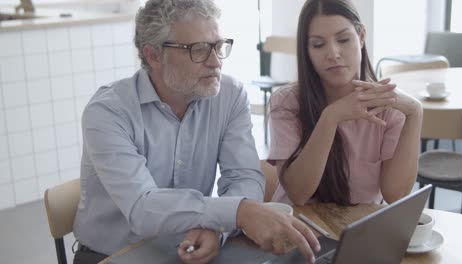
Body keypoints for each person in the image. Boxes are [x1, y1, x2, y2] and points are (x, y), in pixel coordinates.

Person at [73, 1, 320, 264]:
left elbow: (244, 175)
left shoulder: (229, 95)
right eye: (198, 50)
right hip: (111, 255)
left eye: (218, 46)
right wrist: (239, 212)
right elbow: (142, 207)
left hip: (189, 249)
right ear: (154, 55)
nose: (215, 62)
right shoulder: (108, 111)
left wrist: (218, 229)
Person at [268, 0, 423, 207]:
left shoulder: (389, 107)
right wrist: (331, 117)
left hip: (360, 232)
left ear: (361, 36)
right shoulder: (286, 102)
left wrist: (415, 113)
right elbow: (298, 194)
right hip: (299, 228)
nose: (333, 53)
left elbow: (395, 195)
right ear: (306, 51)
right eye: (318, 44)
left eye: (343, 39)